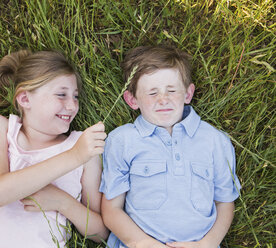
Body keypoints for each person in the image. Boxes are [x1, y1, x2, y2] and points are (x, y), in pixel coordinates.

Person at [0, 50, 109, 247]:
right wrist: (73, 157)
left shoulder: (81, 148)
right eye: (61, 95)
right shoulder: (1, 129)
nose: (72, 106)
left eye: (76, 96)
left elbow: (100, 233)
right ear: (25, 99)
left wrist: (62, 202)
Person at [99, 46, 241, 248]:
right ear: (132, 100)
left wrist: (207, 244)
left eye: (171, 90)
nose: (163, 99)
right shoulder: (122, 140)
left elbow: (225, 202)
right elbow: (111, 209)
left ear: (188, 93)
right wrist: (143, 244)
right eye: (152, 92)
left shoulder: (215, 141)